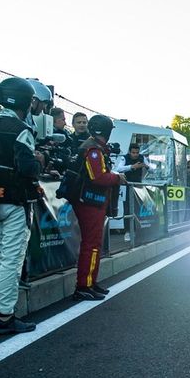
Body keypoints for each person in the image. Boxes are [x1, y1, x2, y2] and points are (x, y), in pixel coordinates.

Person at [0, 77, 44, 335]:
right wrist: (40, 160)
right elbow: (28, 169)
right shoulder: (21, 129)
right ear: (25, 101)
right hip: (15, 200)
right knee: (11, 259)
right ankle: (4, 316)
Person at [70, 116, 125, 301]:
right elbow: (98, 177)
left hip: (94, 201)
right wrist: (117, 178)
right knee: (91, 244)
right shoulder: (92, 149)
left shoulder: (95, 147)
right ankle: (84, 285)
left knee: (94, 244)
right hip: (89, 202)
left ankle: (90, 282)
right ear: (106, 131)